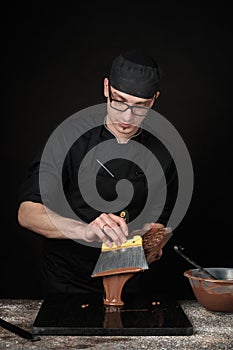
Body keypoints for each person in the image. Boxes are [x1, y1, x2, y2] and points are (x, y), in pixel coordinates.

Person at [17, 49, 178, 297]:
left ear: (154, 99)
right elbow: (27, 213)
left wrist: (152, 242)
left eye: (140, 106)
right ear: (106, 88)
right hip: (66, 282)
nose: (127, 117)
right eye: (119, 100)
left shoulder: (163, 155)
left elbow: (157, 224)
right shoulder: (68, 138)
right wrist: (85, 231)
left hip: (128, 285)